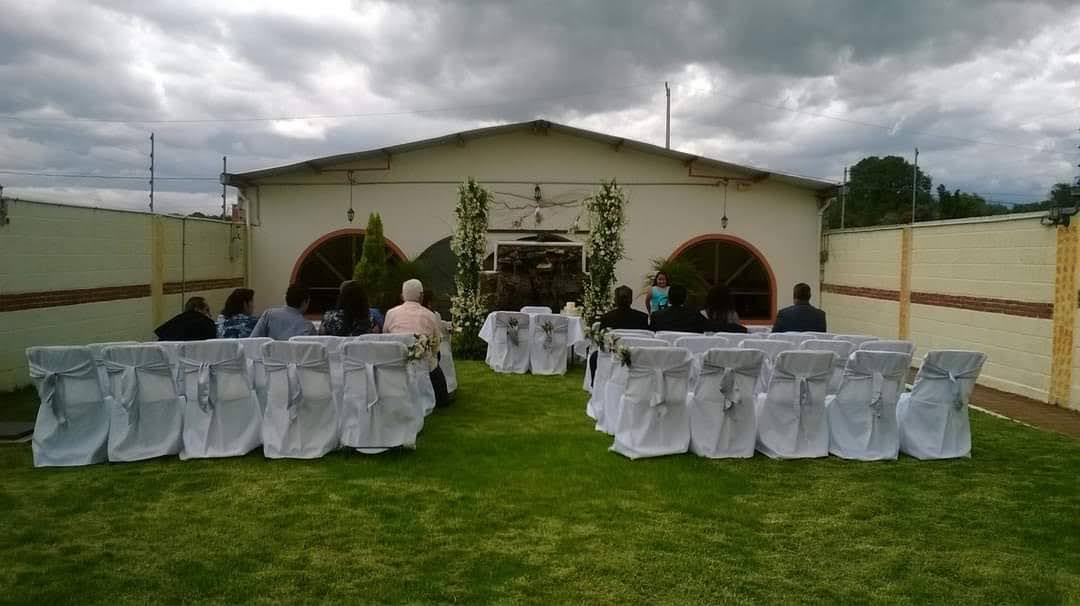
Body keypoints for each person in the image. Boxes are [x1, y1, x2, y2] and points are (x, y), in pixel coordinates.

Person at [384, 279, 450, 407]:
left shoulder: (391, 314)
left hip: (396, 362)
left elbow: (385, 336)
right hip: (423, 364)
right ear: (421, 296)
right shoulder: (429, 315)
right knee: (434, 359)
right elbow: (437, 342)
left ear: (403, 295)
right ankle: (440, 398)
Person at [249, 283, 316, 340]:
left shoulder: (268, 315)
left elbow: (253, 341)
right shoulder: (308, 327)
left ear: (286, 298)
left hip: (269, 355)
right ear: (305, 302)